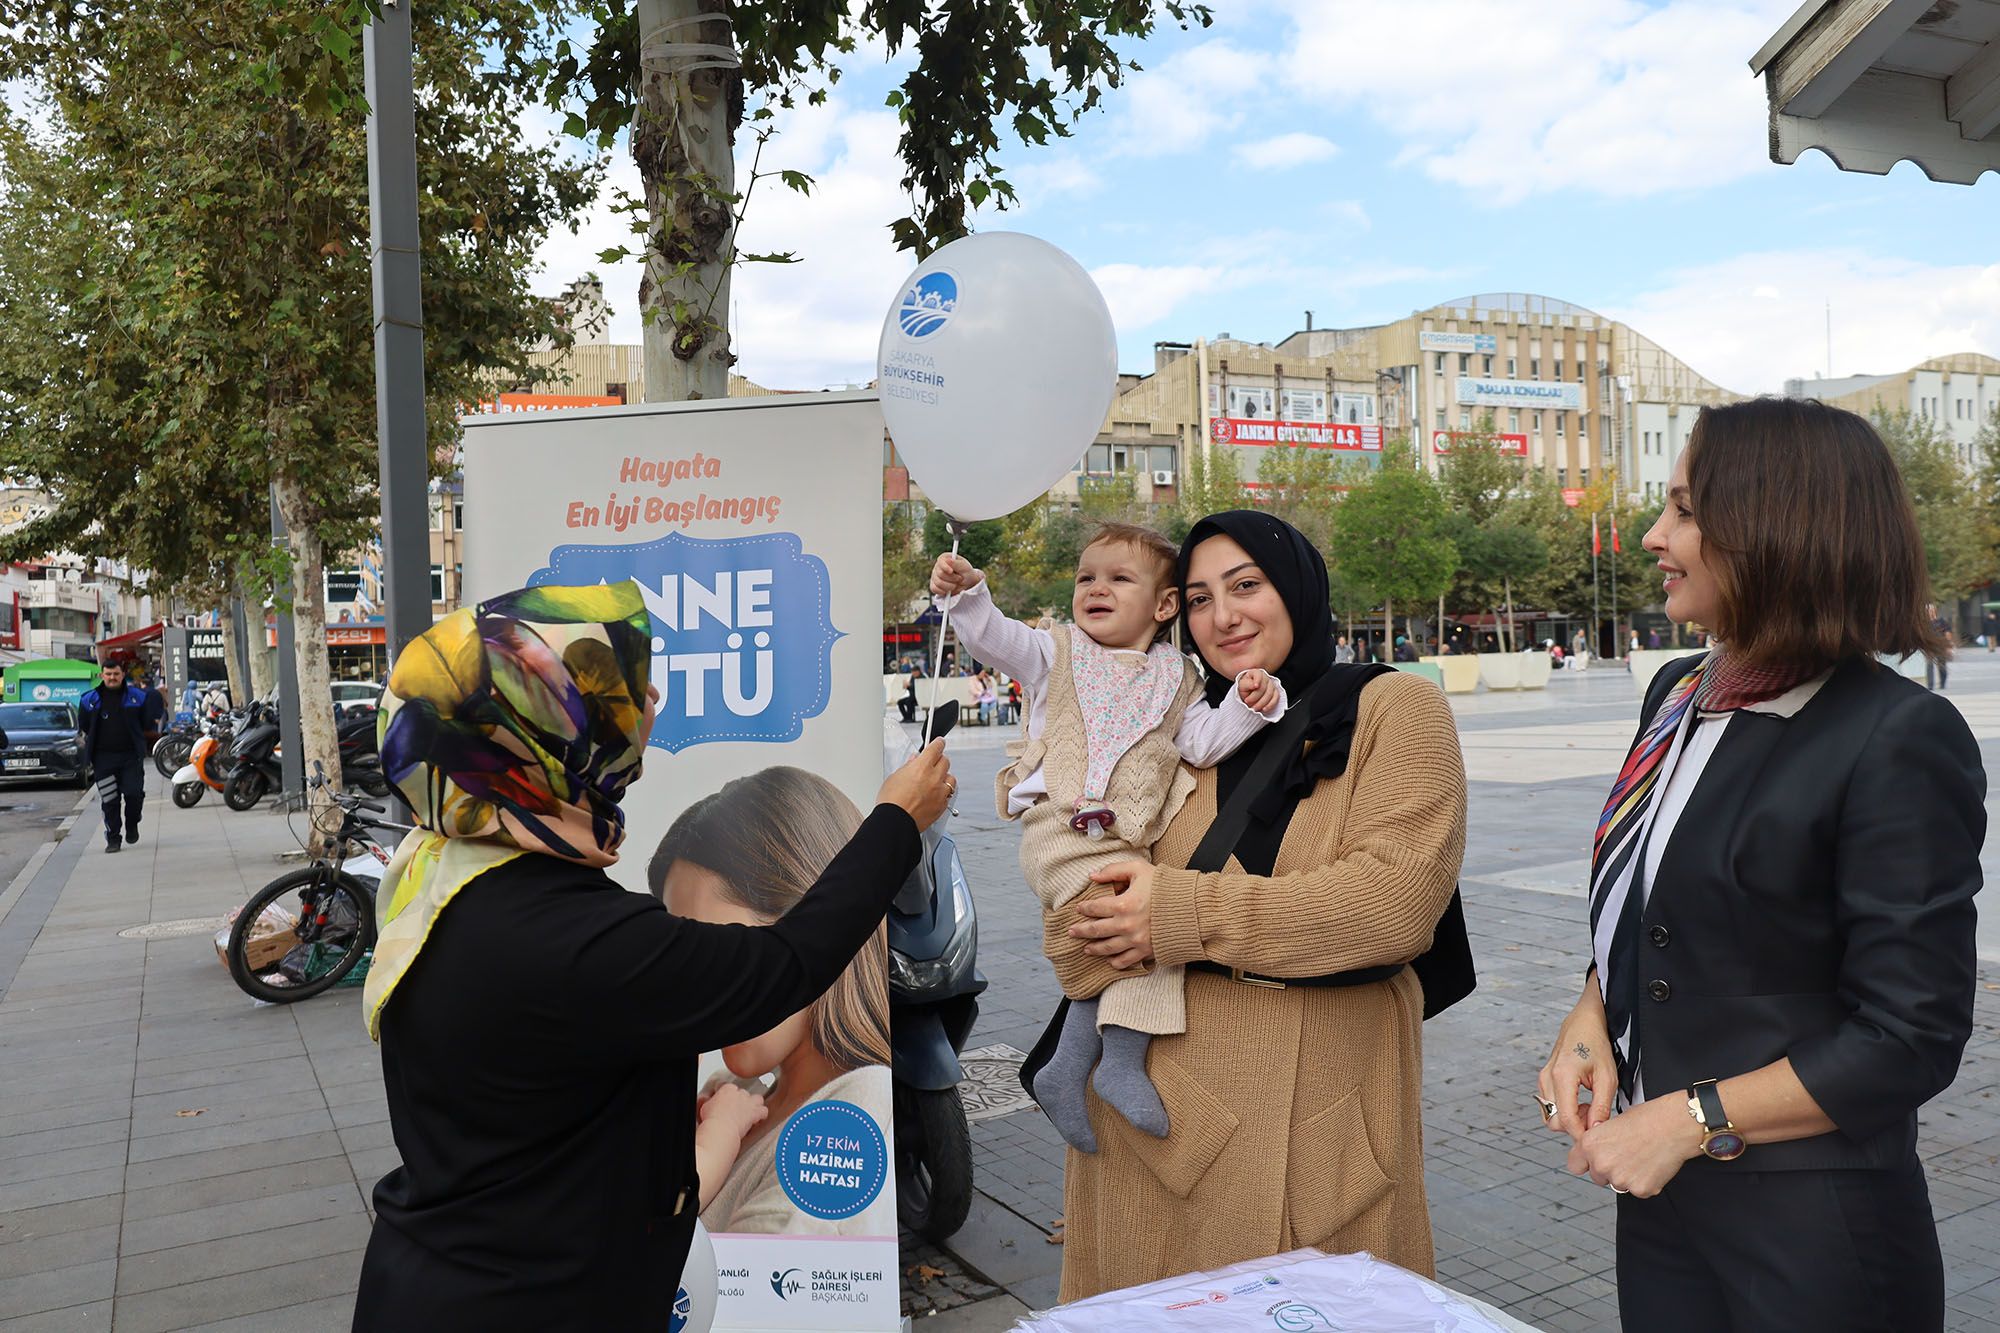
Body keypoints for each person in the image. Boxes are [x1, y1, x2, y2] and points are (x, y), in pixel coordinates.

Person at [351, 583, 953, 1327]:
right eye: (612, 690)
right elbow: (780, 969)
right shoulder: (572, 935)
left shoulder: (442, 873)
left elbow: (542, 1122)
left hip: (437, 1276)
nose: (651, 700)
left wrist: (662, 1126)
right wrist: (895, 819)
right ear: (545, 732)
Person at [1534, 398, 1982, 1333]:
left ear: (1781, 527)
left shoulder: (1896, 733)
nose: (1656, 536)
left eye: (1686, 511)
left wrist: (1684, 1120)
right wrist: (1591, 1019)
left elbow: (1911, 1033)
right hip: (1663, 1204)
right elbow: (1653, 902)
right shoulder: (1677, 692)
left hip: (1812, 1228)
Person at [1043, 511, 1466, 1299]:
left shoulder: (1394, 711)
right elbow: (1074, 924)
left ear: (1298, 589)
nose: (1223, 615)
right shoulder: (1174, 724)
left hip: (1314, 1137)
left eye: (1246, 586)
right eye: (1199, 597)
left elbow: (1393, 905)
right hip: (1149, 1130)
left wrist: (1175, 915)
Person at [930, 521, 1286, 1151]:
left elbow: (1203, 745)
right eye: (1086, 577)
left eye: (1119, 578)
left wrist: (1248, 704)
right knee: (1131, 933)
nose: (1096, 588)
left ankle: (1074, 1069)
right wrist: (969, 594)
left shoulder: (1178, 680)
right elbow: (995, 639)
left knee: (1142, 943)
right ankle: (1110, 1066)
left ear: (1165, 604)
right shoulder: (1055, 654)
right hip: (1060, 836)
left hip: (1122, 845)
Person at [649, 767, 896, 1237]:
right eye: (679, 960)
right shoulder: (738, 1099)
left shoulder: (844, 1127)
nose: (691, 991)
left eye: (717, 955)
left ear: (818, 933)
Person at [78, 659, 165, 854]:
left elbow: (146, 723)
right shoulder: (89, 699)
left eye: (116, 674)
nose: (112, 678)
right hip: (103, 759)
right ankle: (113, 838)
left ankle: (132, 823)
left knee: (134, 794)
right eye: (108, 674)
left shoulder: (138, 697)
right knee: (110, 800)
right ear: (102, 675)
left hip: (130, 757)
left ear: (122, 675)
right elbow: (84, 724)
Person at [1925, 602, 1953, 690]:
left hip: (1941, 646)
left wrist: (1948, 646)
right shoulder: (1924, 623)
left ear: (1935, 611)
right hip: (1929, 646)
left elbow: (1948, 633)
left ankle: (1942, 683)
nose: (1930, 612)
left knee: (1941, 665)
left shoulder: (1942, 622)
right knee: (1929, 665)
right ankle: (1930, 685)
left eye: (1931, 611)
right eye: (1928, 611)